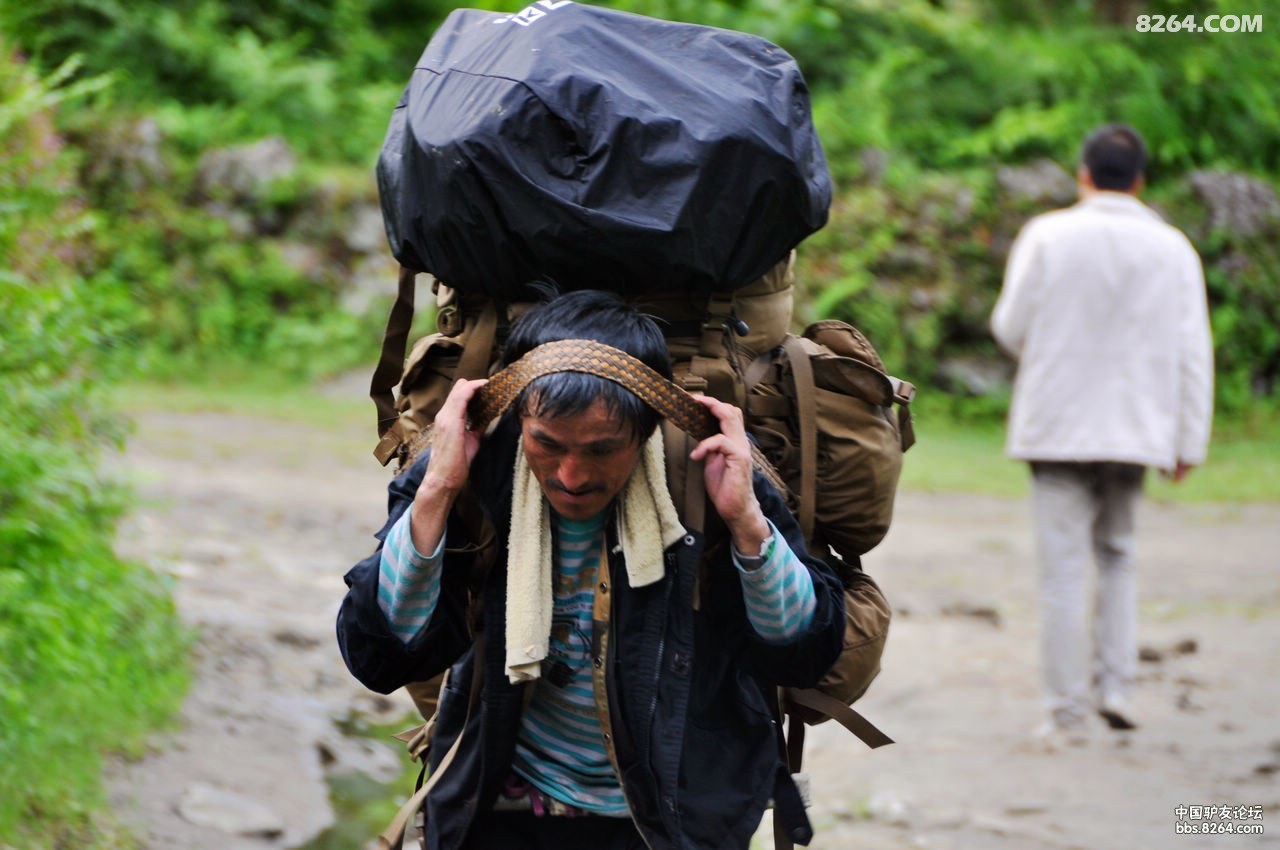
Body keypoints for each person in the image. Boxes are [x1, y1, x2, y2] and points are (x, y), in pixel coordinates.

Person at [337, 289, 846, 849]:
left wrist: (747, 518)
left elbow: (804, 651)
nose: (572, 475)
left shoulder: (709, 467)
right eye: (548, 445)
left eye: (602, 449)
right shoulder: (471, 463)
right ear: (519, 417)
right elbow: (381, 654)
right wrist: (437, 488)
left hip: (667, 821)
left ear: (650, 427)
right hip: (500, 806)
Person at [991, 123, 1214, 744]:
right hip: (1136, 429)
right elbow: (1194, 350)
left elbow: (1010, 327)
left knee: (1062, 570)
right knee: (1118, 557)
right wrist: (1187, 440)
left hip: (1057, 424)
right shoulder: (1172, 247)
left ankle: (1066, 711)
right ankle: (1116, 688)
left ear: (1083, 174)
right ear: (1140, 180)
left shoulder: (1047, 235)